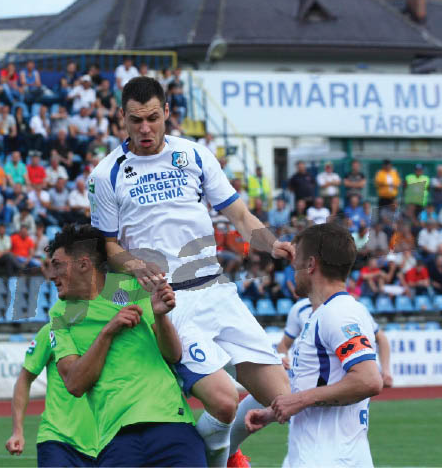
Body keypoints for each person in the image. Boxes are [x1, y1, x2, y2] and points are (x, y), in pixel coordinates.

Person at [88, 76, 291, 466]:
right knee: (224, 402)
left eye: (152, 118)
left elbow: (238, 214)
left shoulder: (194, 155)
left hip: (216, 289)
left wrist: (271, 243)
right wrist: (135, 265)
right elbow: (108, 246)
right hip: (170, 302)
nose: (145, 128)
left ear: (166, 112)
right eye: (135, 120)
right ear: (122, 118)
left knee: (282, 399)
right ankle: (213, 460)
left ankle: (221, 454)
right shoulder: (106, 174)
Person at [47, 224, 205, 467]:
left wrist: (161, 316)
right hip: (116, 437)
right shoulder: (59, 315)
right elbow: (75, 384)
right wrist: (107, 333)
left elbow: (173, 354)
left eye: (57, 265)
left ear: (83, 264)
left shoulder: (132, 287)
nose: (51, 275)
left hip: (170, 422)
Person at [245, 223, 383, 467]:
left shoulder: (339, 313)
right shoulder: (327, 312)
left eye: (296, 260)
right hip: (323, 454)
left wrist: (298, 400)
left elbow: (368, 380)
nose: (292, 268)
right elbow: (322, 383)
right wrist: (272, 412)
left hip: (329, 458)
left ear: (310, 264)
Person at [6, 323, 99, 466]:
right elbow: (24, 379)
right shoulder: (52, 330)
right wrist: (17, 432)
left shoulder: (108, 331)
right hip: (58, 440)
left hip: (102, 445)